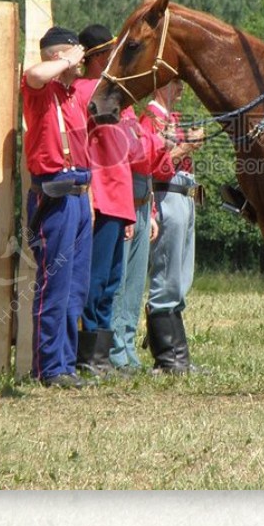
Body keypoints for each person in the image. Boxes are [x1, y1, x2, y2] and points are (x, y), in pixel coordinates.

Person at [21, 26, 92, 388]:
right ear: (57, 56)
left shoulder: (70, 94)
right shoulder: (39, 88)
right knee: (55, 284)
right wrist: (66, 59)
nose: (80, 62)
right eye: (73, 55)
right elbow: (34, 74)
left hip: (79, 196)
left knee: (76, 287)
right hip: (55, 195)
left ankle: (66, 363)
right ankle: (49, 367)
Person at [71, 24, 137, 375]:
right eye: (110, 53)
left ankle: (102, 355)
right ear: (96, 58)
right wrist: (91, 194)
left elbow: (135, 150)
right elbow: (82, 148)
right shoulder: (85, 92)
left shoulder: (116, 95)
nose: (115, 59)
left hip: (121, 199)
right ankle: (89, 356)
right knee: (94, 282)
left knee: (111, 282)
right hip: (102, 197)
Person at [144, 81, 204, 373]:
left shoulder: (172, 119)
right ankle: (167, 358)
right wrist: (186, 148)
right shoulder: (151, 117)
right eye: (174, 83)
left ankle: (178, 357)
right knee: (167, 276)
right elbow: (155, 167)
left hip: (185, 195)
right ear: (160, 86)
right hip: (167, 193)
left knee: (180, 277)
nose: (180, 88)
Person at [109, 96, 170, 372]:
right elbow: (121, 164)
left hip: (143, 202)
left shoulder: (131, 113)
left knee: (135, 285)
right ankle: (115, 351)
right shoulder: (116, 113)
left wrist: (152, 211)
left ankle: (128, 347)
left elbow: (146, 164)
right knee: (119, 282)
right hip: (128, 205)